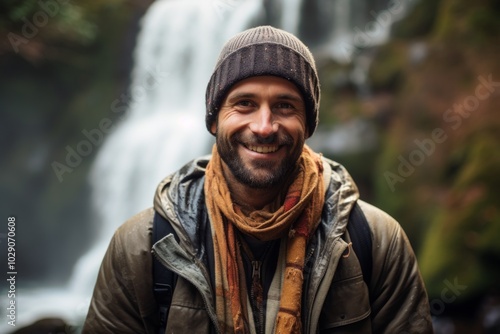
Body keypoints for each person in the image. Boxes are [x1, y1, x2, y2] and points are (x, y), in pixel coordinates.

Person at [83, 25, 433, 333]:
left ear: (308, 126)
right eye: (245, 103)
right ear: (214, 120)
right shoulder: (140, 249)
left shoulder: (377, 242)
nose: (264, 127)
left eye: (284, 106)